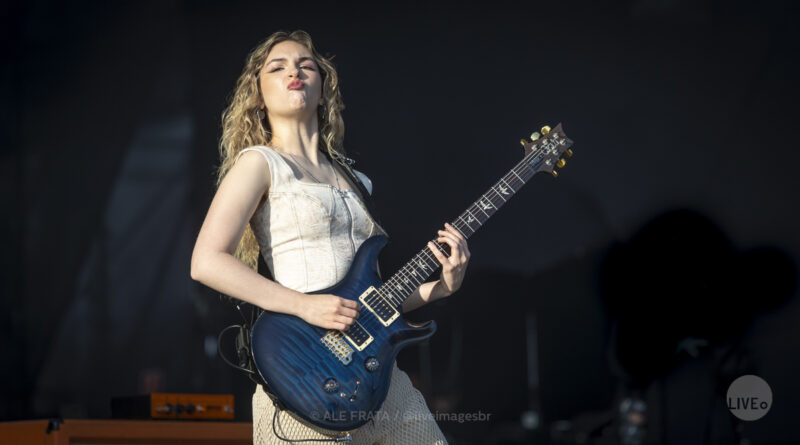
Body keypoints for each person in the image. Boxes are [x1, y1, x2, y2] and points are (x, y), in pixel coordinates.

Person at [190, 30, 470, 444]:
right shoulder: (259, 163)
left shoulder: (356, 182)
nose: (294, 72)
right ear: (258, 96)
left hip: (378, 379)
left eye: (306, 65)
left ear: (323, 90)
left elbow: (368, 301)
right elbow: (206, 262)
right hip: (304, 375)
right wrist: (303, 306)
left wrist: (439, 289)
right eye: (277, 67)